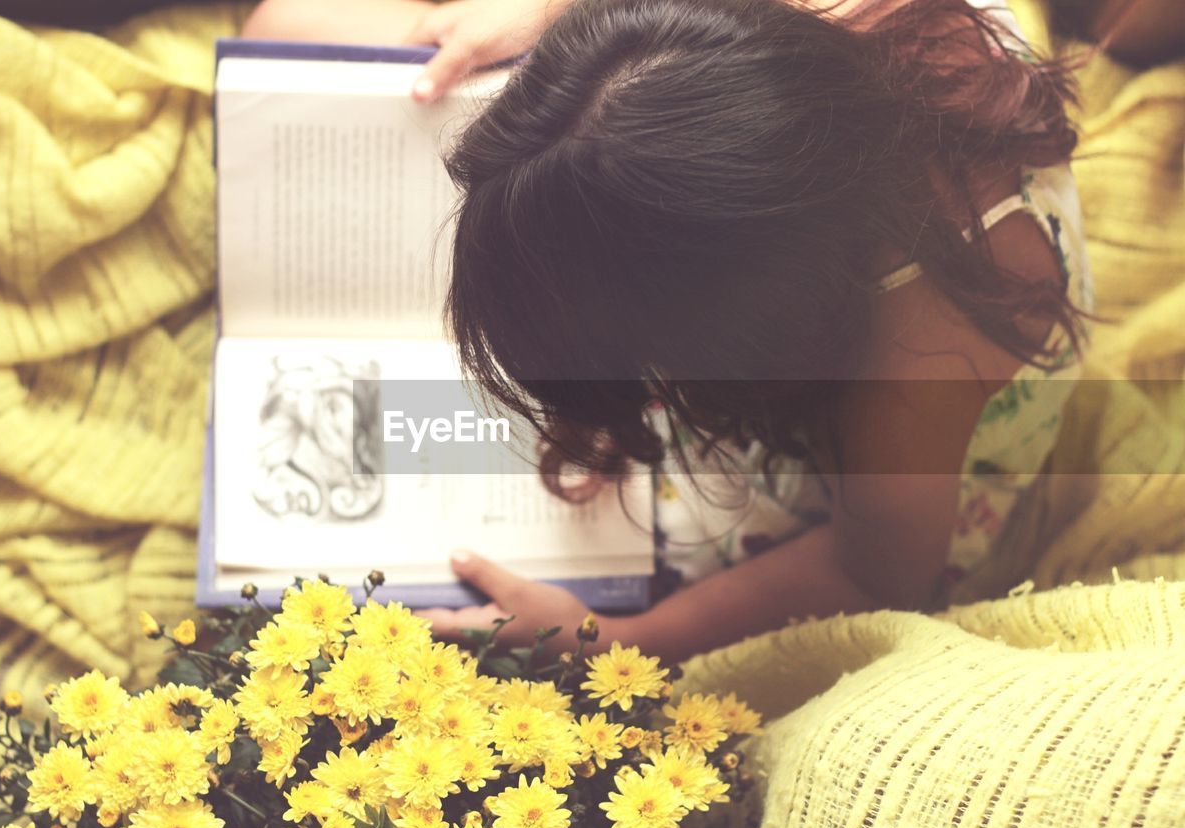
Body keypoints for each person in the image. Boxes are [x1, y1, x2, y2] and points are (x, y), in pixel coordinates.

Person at [247, 0, 1098, 663]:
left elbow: (877, 569)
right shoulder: (757, 54)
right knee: (290, 25)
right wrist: (558, 27)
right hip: (722, 174)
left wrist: (619, 639)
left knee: (608, 570)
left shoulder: (928, 340)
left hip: (883, 455)